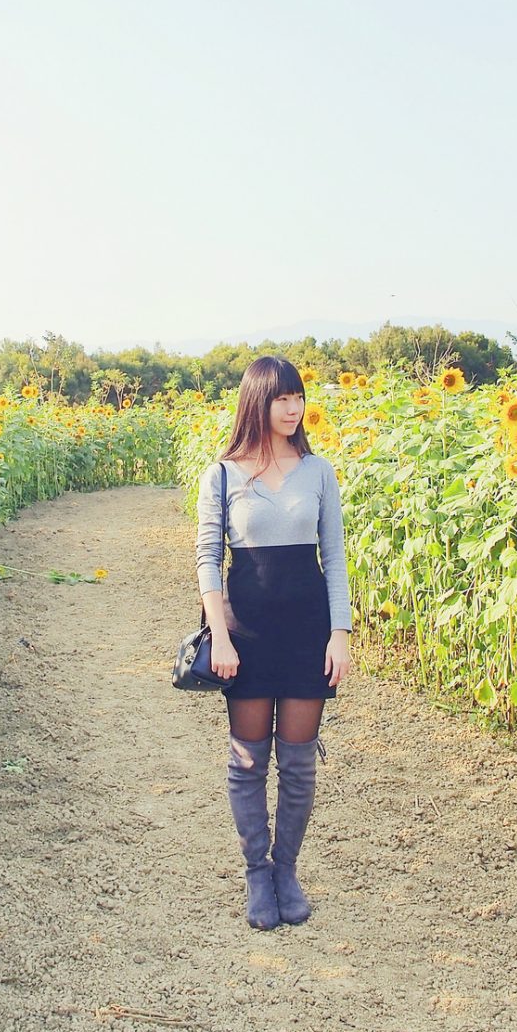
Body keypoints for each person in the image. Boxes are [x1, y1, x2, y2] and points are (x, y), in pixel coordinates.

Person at [195, 355, 353, 930]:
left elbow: (334, 560)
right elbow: (207, 561)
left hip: (308, 628)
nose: (293, 408)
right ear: (256, 402)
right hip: (248, 633)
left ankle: (287, 869)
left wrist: (340, 634)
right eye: (281, 398)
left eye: (298, 397)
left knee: (299, 761)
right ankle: (256, 874)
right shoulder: (223, 474)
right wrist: (220, 636)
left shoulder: (319, 471)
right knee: (247, 759)